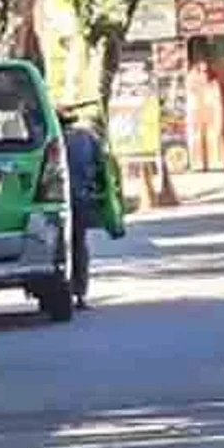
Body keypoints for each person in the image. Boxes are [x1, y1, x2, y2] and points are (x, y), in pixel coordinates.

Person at [59, 108, 126, 311]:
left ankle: (63, 290)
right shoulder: (86, 137)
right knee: (79, 244)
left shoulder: (49, 138)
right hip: (81, 198)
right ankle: (79, 293)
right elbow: (102, 167)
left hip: (54, 198)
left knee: (59, 245)